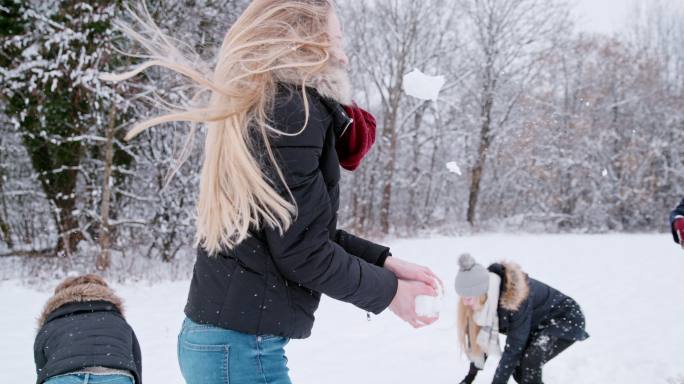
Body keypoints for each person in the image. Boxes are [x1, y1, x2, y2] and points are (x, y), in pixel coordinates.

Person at [103, 1, 440, 383]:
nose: (345, 57)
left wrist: (383, 263)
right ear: (305, 45)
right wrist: (391, 293)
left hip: (226, 343)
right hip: (240, 348)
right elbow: (304, 253)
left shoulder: (275, 106)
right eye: (337, 41)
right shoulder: (293, 113)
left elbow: (299, 233)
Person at [455, 254, 588, 384]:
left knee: (530, 362)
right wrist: (470, 377)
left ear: (482, 292)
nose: (465, 303)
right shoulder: (479, 306)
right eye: (463, 297)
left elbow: (514, 348)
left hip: (565, 317)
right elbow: (478, 342)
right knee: (520, 372)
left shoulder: (513, 299)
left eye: (468, 297)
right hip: (535, 324)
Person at [33, 274, 142, 384]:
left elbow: (41, 364)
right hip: (115, 376)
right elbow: (135, 362)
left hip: (61, 377)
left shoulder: (52, 323)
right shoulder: (118, 322)